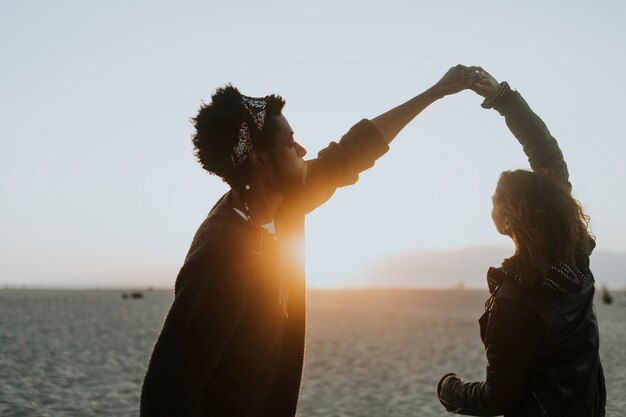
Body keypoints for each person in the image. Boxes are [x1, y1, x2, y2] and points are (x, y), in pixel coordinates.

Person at [140, 65, 480, 417]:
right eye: (289, 144)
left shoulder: (283, 202)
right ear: (259, 160)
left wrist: (435, 92)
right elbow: (165, 392)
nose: (303, 150)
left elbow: (353, 151)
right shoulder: (221, 261)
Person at [437, 68, 606, 416]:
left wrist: (450, 389)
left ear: (507, 219)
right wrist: (502, 97)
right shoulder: (575, 256)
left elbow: (498, 398)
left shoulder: (516, 301)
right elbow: (545, 152)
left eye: (494, 203)